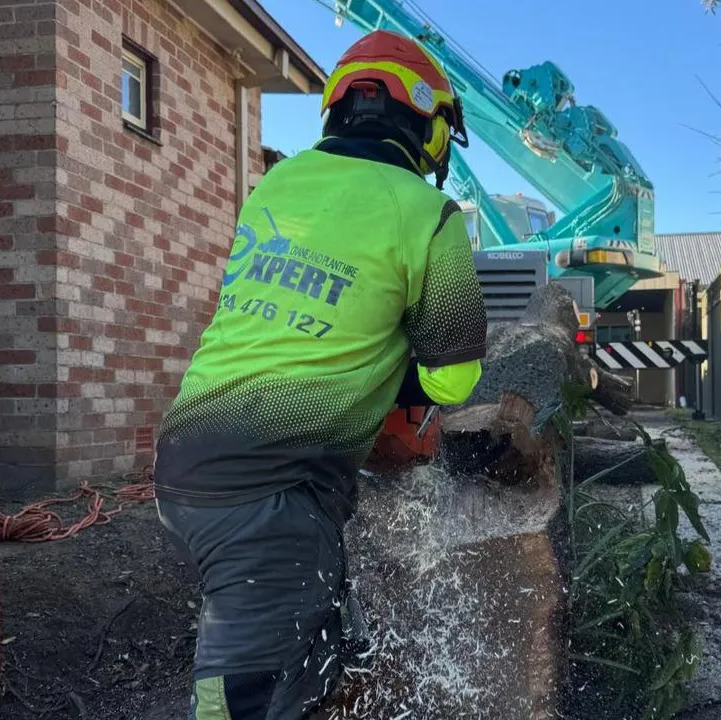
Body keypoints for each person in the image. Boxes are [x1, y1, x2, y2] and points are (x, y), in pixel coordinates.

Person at [152, 28, 488, 720]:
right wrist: (383, 373)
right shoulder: (429, 215)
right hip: (268, 493)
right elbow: (454, 380)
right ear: (427, 127)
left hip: (191, 455)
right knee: (236, 698)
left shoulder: (278, 182)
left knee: (337, 646)